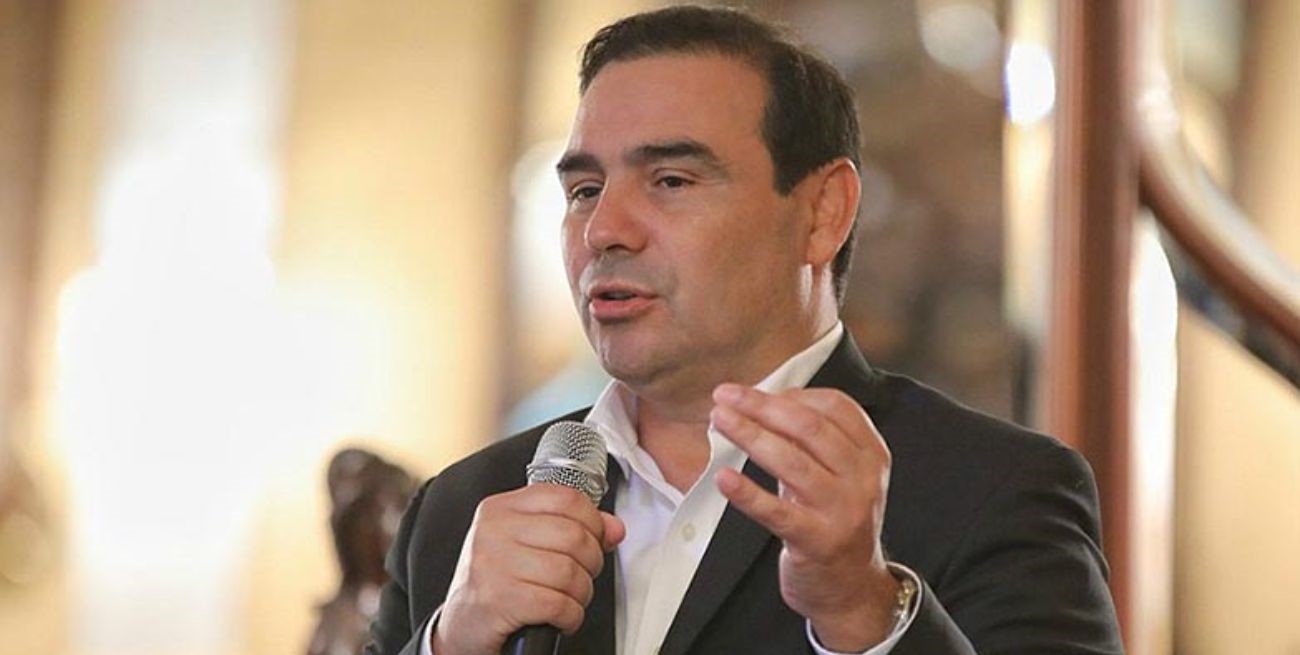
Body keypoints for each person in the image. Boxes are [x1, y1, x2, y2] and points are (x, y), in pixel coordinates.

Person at [365, 6, 1124, 655]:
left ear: (823, 212)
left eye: (671, 181)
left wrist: (864, 612)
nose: (603, 230)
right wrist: (451, 641)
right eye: (585, 189)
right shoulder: (461, 508)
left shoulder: (993, 489)